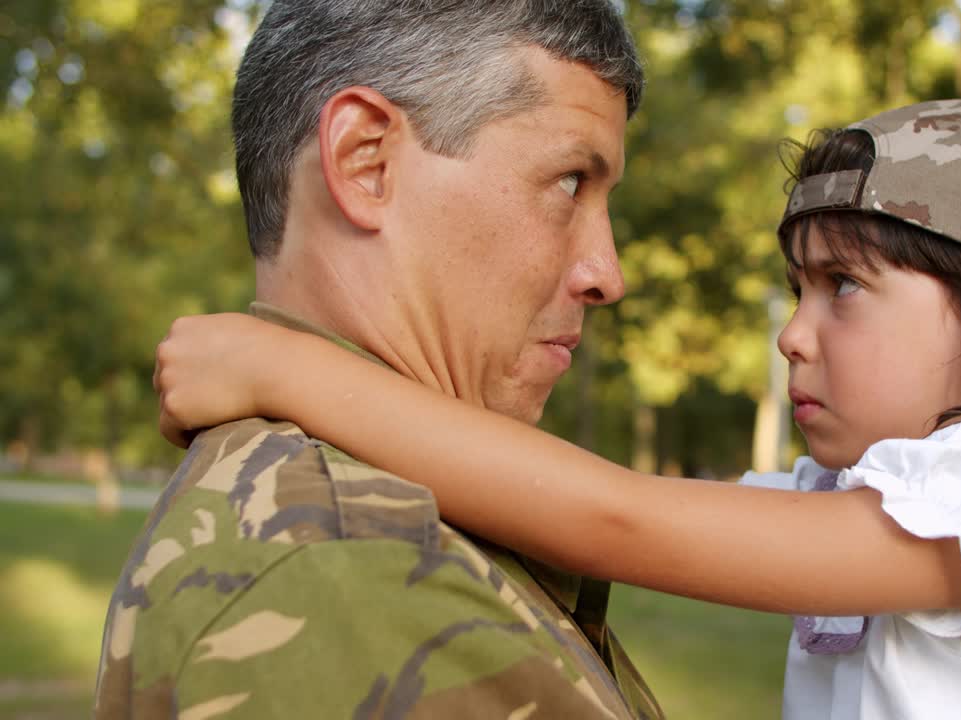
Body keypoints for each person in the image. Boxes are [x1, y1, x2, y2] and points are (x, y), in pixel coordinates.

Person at [154, 99, 961, 718]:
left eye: (842, 288)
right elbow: (578, 500)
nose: (792, 334)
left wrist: (280, 372)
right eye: (794, 291)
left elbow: (617, 519)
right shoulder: (850, 498)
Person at [95, 1, 665, 718]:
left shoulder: (383, 513)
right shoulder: (353, 564)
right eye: (570, 182)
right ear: (365, 161)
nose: (606, 273)